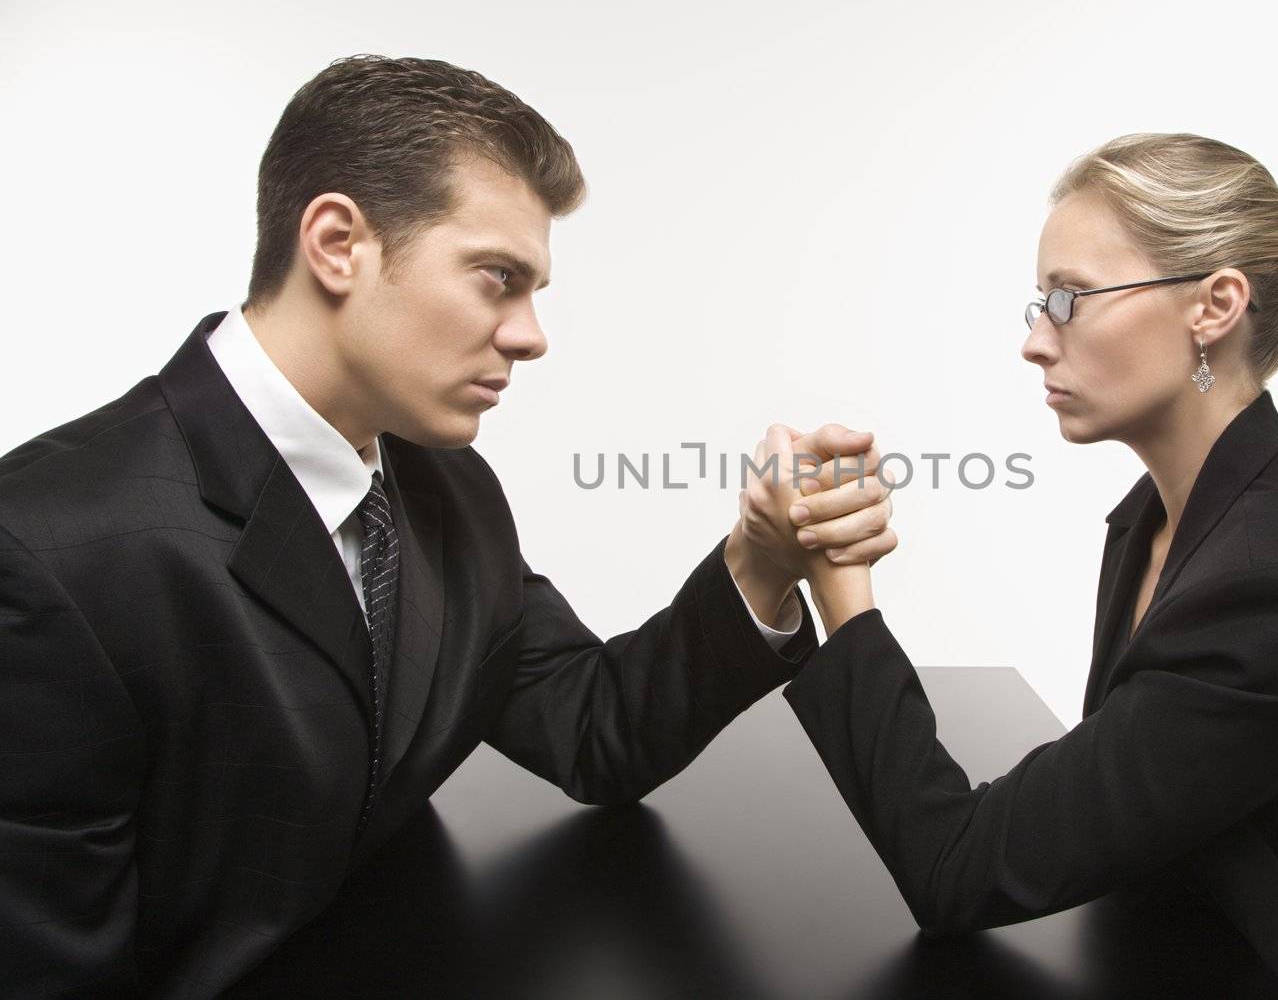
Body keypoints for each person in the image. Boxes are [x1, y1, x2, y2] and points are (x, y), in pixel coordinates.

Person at [0, 55, 894, 997]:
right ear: (338, 242)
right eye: (498, 278)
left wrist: (757, 562)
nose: (531, 333)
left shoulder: (447, 491)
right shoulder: (45, 553)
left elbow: (593, 729)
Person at [737, 133, 1278, 997]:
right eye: (1039, 303)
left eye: (1071, 299)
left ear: (1216, 304)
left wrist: (840, 586)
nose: (1037, 341)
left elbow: (957, 870)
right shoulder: (1158, 523)